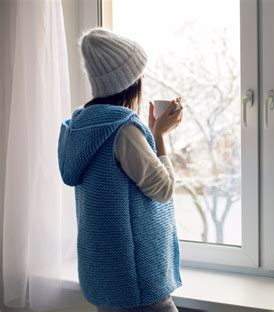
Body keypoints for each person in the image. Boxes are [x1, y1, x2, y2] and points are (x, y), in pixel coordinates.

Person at [57, 28, 183, 312]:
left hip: (106, 277)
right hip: (137, 279)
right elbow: (163, 190)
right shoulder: (122, 129)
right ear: (128, 82)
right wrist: (160, 135)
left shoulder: (81, 125)